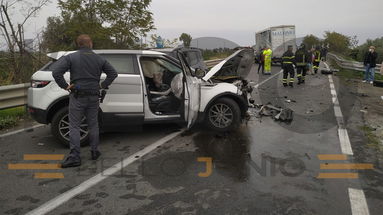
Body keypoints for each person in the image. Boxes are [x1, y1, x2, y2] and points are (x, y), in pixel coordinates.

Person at [52, 34, 118, 168]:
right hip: (94, 96)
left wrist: (65, 86)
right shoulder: (99, 59)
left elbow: (56, 72)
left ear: (78, 44)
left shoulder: (71, 57)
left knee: (75, 126)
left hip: (78, 96)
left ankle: (75, 157)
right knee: (93, 124)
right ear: (90, 43)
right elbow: (113, 73)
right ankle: (94, 151)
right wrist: (102, 85)